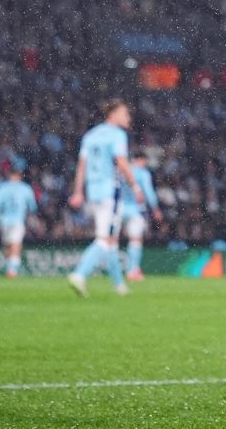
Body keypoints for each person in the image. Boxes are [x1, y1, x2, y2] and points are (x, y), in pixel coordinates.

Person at [67, 100, 144, 297]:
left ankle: (119, 285)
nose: (128, 118)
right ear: (113, 114)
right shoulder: (117, 135)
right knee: (104, 239)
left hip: (93, 191)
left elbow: (82, 166)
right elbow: (122, 163)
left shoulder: (91, 135)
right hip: (110, 191)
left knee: (111, 240)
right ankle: (79, 274)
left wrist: (78, 191)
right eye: (125, 114)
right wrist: (135, 187)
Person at [0, 165, 37, 279]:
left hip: (4, 222)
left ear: (9, 175)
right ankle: (12, 269)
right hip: (18, 221)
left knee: (9, 245)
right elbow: (33, 206)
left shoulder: (2, 188)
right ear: (19, 176)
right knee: (15, 244)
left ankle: (11, 270)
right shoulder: (26, 188)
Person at [118, 152, 162, 281]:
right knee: (135, 240)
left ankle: (112, 270)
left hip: (118, 208)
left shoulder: (122, 171)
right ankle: (132, 270)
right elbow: (148, 192)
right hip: (135, 210)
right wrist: (155, 208)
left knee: (111, 240)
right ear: (141, 160)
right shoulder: (143, 173)